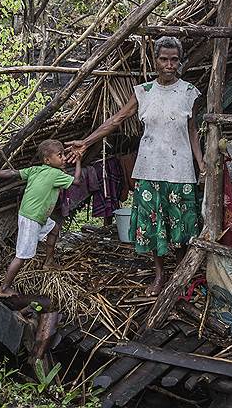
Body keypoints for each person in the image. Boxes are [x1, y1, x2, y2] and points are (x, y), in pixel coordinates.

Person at [66, 36, 204, 296]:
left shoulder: (189, 92)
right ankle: (160, 276)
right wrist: (86, 142)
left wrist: (200, 162)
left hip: (181, 169)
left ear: (180, 61)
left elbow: (192, 130)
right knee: (152, 226)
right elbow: (116, 120)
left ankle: (182, 274)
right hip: (149, 168)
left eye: (174, 59)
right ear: (155, 60)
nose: (169, 65)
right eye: (164, 59)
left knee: (182, 226)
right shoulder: (144, 92)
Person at [0, 139, 81, 297]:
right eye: (60, 155)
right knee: (22, 256)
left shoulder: (35, 170)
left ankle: (48, 262)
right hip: (32, 218)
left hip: (33, 214)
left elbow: (13, 173)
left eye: (63, 155)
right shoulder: (56, 174)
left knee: (54, 229)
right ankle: (3, 289)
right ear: (47, 160)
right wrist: (79, 162)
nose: (64, 158)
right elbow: (77, 181)